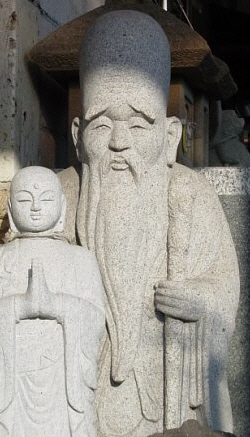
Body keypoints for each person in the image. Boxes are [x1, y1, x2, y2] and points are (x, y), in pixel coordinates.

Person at [72, 10, 240, 436]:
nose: (118, 142)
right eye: (102, 123)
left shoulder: (191, 196)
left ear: (169, 138)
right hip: (79, 402)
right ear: (77, 136)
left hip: (169, 401)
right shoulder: (59, 195)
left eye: (137, 124)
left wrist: (197, 301)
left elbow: (225, 290)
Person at [0, 166, 105, 437]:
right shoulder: (2, 258)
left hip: (64, 380)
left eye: (46, 199)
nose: (35, 207)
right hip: (11, 381)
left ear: (63, 206)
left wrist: (57, 305)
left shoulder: (81, 259)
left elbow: (96, 319)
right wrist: (19, 307)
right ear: (11, 211)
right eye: (24, 199)